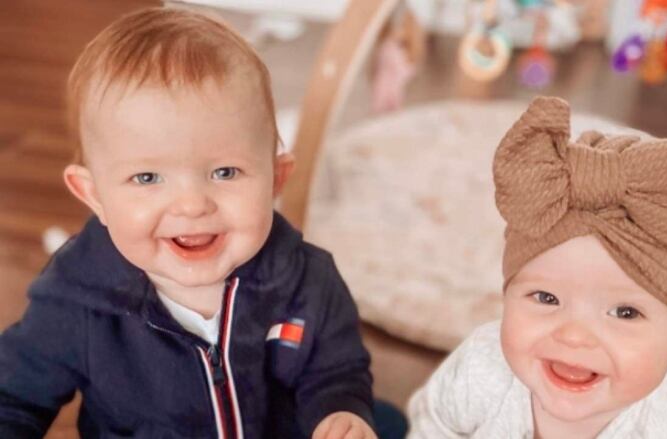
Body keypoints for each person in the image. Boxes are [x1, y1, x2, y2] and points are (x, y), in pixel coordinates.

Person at [0, 7, 387, 438]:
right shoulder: (78, 299)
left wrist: (342, 411)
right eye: (147, 178)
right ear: (94, 196)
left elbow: (338, 369)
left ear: (277, 177)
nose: (191, 205)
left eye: (224, 172)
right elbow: (12, 399)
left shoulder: (307, 278)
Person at [407, 96, 667, 438]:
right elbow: (433, 425)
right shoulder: (481, 366)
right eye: (546, 298)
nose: (573, 335)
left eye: (626, 312)